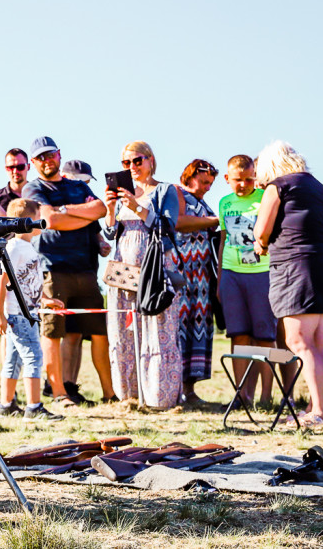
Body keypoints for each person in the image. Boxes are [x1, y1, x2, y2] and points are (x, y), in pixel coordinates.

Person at [253, 141, 323, 428]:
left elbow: (262, 230)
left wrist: (260, 245)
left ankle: (319, 412)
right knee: (318, 342)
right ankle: (319, 408)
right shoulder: (318, 188)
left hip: (297, 267)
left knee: (298, 342)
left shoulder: (277, 186)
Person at [22, 136, 114, 407]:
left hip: (87, 270)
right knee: (53, 333)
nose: (47, 160)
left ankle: (110, 395)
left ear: (59, 155)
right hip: (52, 269)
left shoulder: (76, 185)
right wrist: (77, 215)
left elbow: (100, 209)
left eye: (50, 155)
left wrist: (65, 212)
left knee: (99, 334)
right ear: (33, 163)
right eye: (40, 157)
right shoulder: (32, 188)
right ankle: (60, 393)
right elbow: (49, 220)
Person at [103, 141, 183, 410]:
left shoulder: (164, 190)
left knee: (158, 329)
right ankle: (130, 395)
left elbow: (169, 227)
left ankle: (160, 397)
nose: (132, 167)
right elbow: (111, 235)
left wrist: (137, 207)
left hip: (155, 268)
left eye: (137, 161)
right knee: (124, 331)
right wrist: (111, 211)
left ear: (150, 160)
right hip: (123, 270)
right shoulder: (124, 194)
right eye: (126, 163)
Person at [0, 199, 64, 421]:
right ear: (26, 221)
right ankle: (34, 407)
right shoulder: (13, 247)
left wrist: (46, 299)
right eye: (38, 218)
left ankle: (6, 405)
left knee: (14, 360)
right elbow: (1, 280)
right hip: (19, 314)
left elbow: (27, 283)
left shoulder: (28, 248)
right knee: (34, 357)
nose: (41, 223)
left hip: (29, 312)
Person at [217, 155, 276, 406]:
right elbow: (222, 240)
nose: (243, 185)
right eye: (238, 180)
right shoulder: (224, 202)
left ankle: (266, 397)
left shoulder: (266, 198)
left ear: (256, 178)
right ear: (227, 178)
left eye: (249, 179)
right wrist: (220, 277)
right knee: (238, 336)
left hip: (263, 272)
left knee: (265, 336)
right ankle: (241, 396)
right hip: (232, 273)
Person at [175, 160, 221, 406]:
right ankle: (174, 389)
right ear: (189, 176)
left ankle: (189, 390)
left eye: (210, 184)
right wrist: (215, 221)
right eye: (203, 182)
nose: (207, 187)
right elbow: (179, 222)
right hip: (181, 273)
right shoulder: (177, 193)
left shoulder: (203, 203)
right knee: (179, 328)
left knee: (197, 330)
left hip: (202, 278)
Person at [0, 148, 29, 213]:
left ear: (28, 167)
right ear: (6, 169)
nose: (15, 171)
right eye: (11, 167)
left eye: (20, 167)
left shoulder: (39, 194)